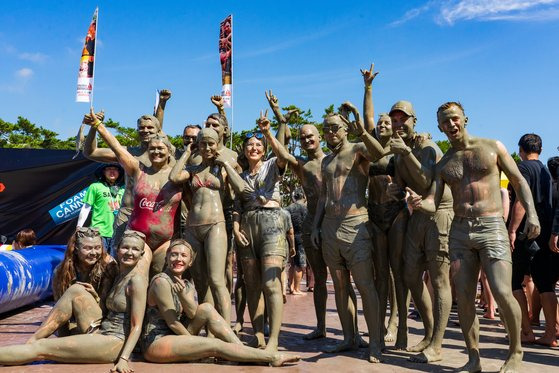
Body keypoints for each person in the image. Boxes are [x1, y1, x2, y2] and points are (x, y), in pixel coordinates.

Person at [406, 101, 540, 373]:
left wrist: (532, 214)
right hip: (460, 231)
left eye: (454, 118)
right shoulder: (444, 163)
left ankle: (515, 352)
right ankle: (474, 357)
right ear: (440, 127)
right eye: (445, 122)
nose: (451, 125)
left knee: (503, 292)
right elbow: (433, 201)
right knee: (464, 297)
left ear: (465, 119)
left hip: (491, 227)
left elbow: (518, 181)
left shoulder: (492, 147)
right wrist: (418, 203)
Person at [0, 230, 150, 373]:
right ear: (117, 250)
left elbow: (136, 325)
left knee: (41, 348)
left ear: (142, 254)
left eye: (135, 249)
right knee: (76, 290)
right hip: (103, 329)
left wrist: (123, 358)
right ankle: (32, 341)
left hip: (114, 341)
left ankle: (29, 346)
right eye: (125, 247)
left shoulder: (136, 280)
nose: (129, 253)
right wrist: (97, 299)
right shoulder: (121, 274)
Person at [142, 239, 299, 366]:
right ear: (167, 257)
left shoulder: (187, 284)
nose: (178, 259)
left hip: (179, 336)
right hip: (158, 342)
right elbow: (173, 324)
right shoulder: (161, 282)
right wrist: (198, 342)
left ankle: (241, 351)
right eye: (174, 255)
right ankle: (270, 357)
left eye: (183, 256)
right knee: (215, 346)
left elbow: (191, 313)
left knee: (206, 309)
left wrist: (183, 295)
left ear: (190, 262)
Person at [311, 103, 383, 363]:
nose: (330, 133)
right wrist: (317, 226)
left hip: (355, 225)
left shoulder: (358, 149)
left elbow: (380, 153)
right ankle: (348, 338)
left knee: (365, 285)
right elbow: (323, 197)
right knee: (340, 287)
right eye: (326, 129)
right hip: (330, 226)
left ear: (344, 129)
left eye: (334, 128)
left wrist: (362, 132)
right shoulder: (326, 161)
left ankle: (375, 343)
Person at [388, 99, 453, 363]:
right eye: (395, 119)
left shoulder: (427, 146)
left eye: (403, 119)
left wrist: (405, 153)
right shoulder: (400, 151)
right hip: (417, 217)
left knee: (439, 280)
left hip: (439, 214)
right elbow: (407, 185)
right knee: (411, 275)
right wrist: (396, 190)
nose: (398, 123)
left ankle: (436, 344)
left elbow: (427, 181)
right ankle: (428, 334)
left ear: (414, 121)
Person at [83, 108, 182, 278]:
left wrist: (162, 106)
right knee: (121, 260)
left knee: (157, 268)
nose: (145, 131)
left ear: (159, 131)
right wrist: (94, 127)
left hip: (156, 216)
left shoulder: (169, 160)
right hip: (127, 213)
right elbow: (90, 152)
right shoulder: (129, 153)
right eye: (141, 127)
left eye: (150, 128)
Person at [169, 128, 246, 325]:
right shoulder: (193, 170)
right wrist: (187, 151)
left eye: (211, 143)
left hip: (215, 225)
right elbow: (174, 177)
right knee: (201, 281)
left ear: (218, 143)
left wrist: (226, 164)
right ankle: (209, 325)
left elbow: (242, 188)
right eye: (203, 143)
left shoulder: (223, 167)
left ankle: (225, 326)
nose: (207, 147)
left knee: (216, 279)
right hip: (193, 227)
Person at [229, 111, 291, 351]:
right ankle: (257, 334)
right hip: (247, 226)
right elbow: (237, 204)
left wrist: (268, 132)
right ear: (244, 150)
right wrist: (235, 227)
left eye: (258, 145)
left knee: (271, 283)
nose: (253, 148)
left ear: (263, 150)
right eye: (249, 145)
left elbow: (285, 156)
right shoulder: (241, 176)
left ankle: (273, 338)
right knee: (252, 285)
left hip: (272, 223)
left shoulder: (272, 165)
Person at [361, 64, 410, 348]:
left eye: (386, 124)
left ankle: (399, 325)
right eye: (379, 124)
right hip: (374, 214)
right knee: (380, 272)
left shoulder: (398, 148)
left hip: (396, 214)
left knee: (397, 271)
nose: (381, 126)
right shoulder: (369, 149)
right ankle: (379, 326)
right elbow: (368, 116)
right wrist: (368, 87)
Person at [27, 227, 118, 342]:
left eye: (97, 248)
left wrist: (95, 297)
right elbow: (60, 310)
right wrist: (63, 340)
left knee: (76, 290)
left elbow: (110, 311)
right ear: (75, 248)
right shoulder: (62, 271)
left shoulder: (109, 266)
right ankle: (35, 341)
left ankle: (33, 340)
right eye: (87, 248)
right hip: (79, 324)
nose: (93, 253)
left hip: (101, 326)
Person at [508, 134, 555, 346]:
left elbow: (520, 200)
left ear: (520, 149)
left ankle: (527, 331)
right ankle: (551, 332)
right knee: (544, 283)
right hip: (545, 232)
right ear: (541, 150)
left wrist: (512, 229)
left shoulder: (523, 168)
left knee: (514, 280)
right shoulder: (546, 170)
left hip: (527, 231)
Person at [77, 164, 125, 254]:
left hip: (119, 233)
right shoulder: (95, 187)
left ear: (119, 172)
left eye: (115, 169)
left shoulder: (124, 189)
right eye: (109, 169)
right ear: (104, 172)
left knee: (114, 263)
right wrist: (79, 226)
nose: (112, 171)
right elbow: (86, 208)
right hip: (99, 232)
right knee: (99, 260)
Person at [285, 190, 307, 295]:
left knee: (292, 264)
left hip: (289, 238)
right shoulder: (306, 208)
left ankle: (291, 286)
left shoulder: (288, 209)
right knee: (300, 265)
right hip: (302, 238)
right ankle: (296, 289)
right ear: (303, 197)